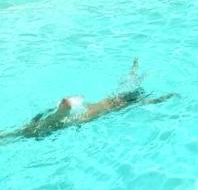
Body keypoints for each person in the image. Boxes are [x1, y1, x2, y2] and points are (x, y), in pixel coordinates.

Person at [0, 59, 175, 141]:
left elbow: (131, 89)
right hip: (78, 117)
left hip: (76, 116)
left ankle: (7, 137)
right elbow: (140, 97)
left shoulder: (115, 101)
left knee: (27, 131)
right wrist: (165, 97)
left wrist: (135, 69)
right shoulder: (117, 103)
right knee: (30, 131)